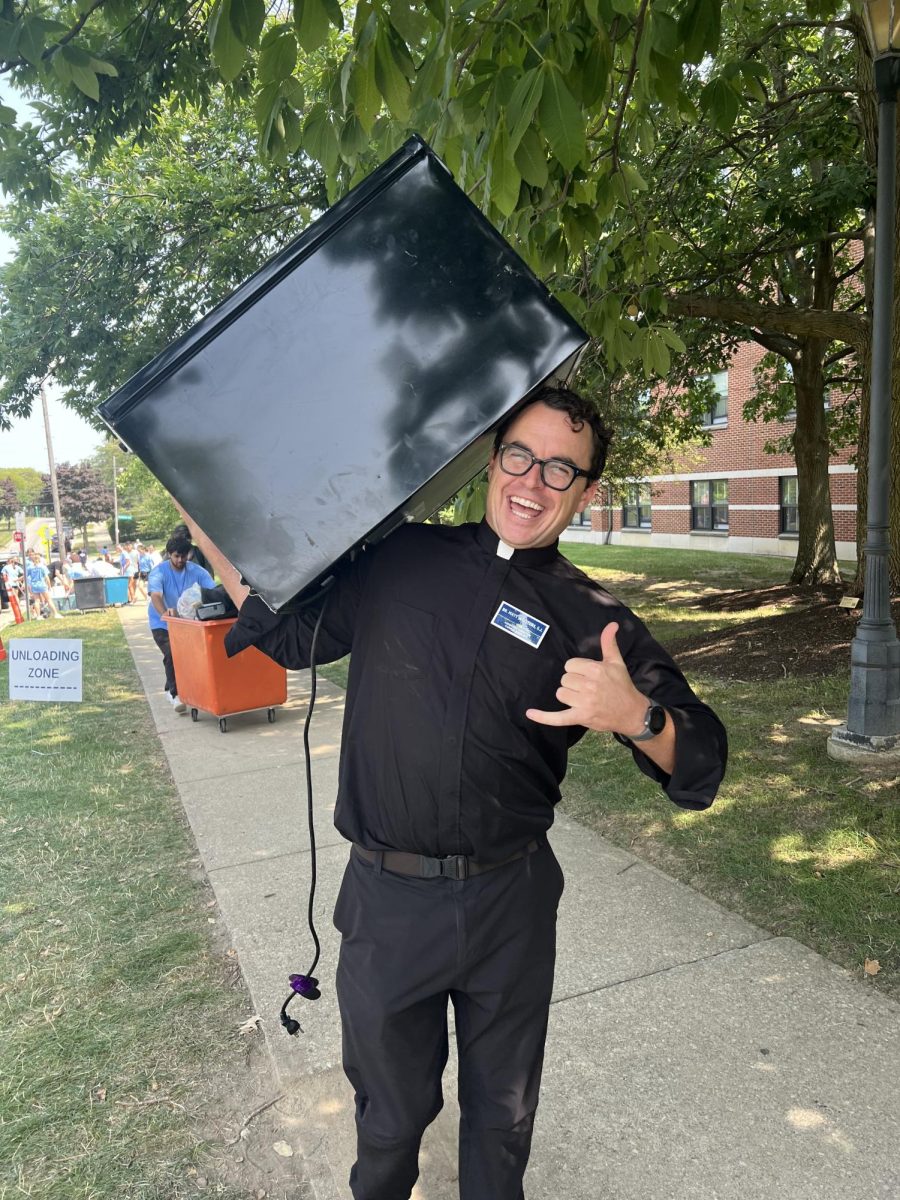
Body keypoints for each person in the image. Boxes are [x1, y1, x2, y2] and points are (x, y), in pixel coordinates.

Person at [184, 385, 728, 1200]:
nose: (531, 482)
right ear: (489, 458)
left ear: (584, 492)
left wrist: (636, 714)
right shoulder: (403, 556)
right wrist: (203, 511)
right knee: (390, 1118)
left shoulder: (593, 619)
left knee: (500, 1124)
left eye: (559, 470)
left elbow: (702, 763)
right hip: (386, 900)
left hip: (509, 902)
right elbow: (292, 634)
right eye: (519, 455)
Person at [147, 534, 214, 712]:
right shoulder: (159, 572)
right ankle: (176, 694)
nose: (180, 560)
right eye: (176, 556)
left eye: (184, 556)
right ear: (169, 554)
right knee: (172, 653)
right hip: (161, 622)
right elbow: (156, 596)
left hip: (188, 623)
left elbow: (213, 592)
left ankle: (170, 686)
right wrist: (165, 615)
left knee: (187, 656)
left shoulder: (198, 572)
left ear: (189, 555)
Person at [25, 550, 62, 619]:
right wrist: (49, 586)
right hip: (42, 584)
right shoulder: (42, 566)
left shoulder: (30, 567)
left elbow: (26, 576)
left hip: (34, 585)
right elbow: (47, 577)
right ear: (39, 559)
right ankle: (56, 614)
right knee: (48, 599)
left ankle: (38, 616)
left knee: (37, 601)